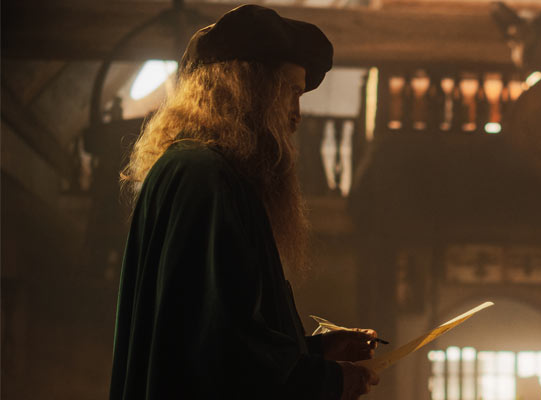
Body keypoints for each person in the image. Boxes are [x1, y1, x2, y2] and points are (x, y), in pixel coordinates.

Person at [109, 5, 379, 399]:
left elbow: (211, 327)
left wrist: (314, 350)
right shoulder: (205, 177)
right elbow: (219, 352)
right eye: (291, 93)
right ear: (249, 88)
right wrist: (329, 380)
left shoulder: (196, 169)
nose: (297, 115)